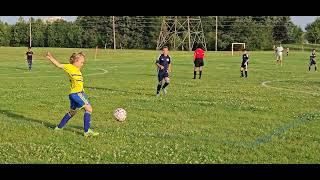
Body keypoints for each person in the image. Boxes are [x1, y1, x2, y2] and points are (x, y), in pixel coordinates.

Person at [45, 51, 99, 137]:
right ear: (76, 61)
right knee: (89, 109)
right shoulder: (70, 67)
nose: (82, 64)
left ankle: (59, 128)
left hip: (74, 94)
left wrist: (84, 93)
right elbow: (59, 65)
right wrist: (51, 58)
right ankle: (87, 131)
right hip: (77, 94)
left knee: (72, 112)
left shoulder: (78, 71)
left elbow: (79, 84)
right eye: (81, 62)